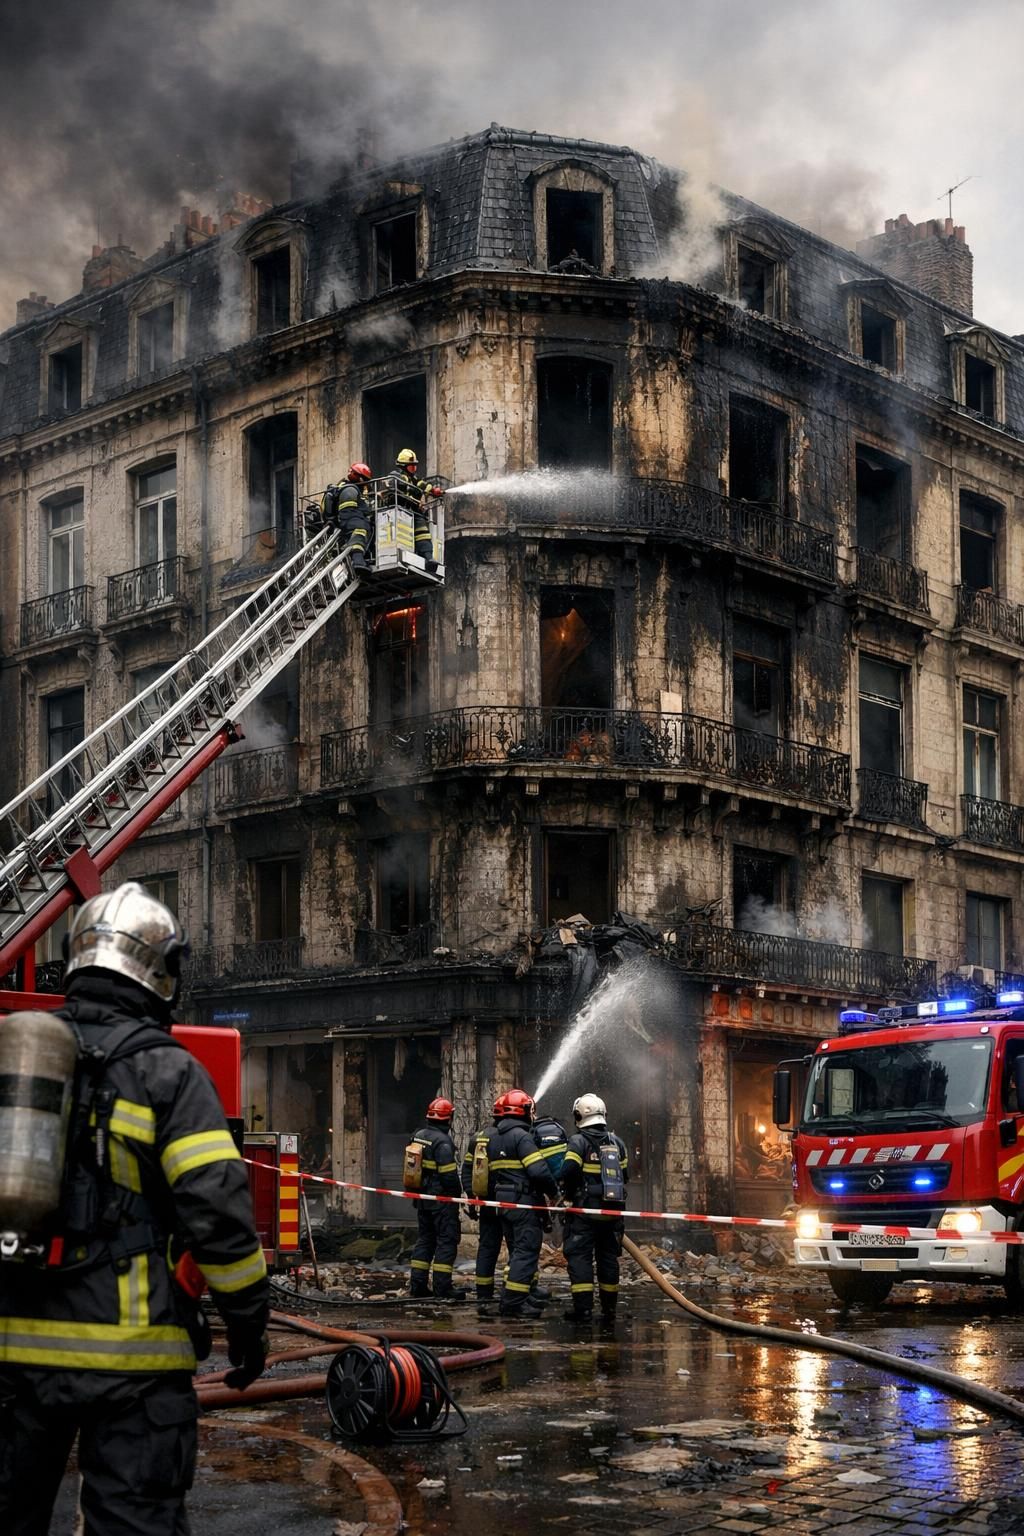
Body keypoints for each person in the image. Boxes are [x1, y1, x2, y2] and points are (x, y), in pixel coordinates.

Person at [0, 882, 270, 1535]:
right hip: (133, 1365)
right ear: (159, 973)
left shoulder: (17, 1055)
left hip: (15, 1356)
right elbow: (218, 1213)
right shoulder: (170, 1073)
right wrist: (248, 1325)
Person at [484, 1089, 558, 1317]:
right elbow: (537, 1170)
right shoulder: (521, 1137)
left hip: (503, 1203)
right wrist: (553, 1191)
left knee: (517, 1251)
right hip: (523, 1202)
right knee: (526, 1250)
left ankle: (522, 1295)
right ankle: (513, 1303)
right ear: (524, 1111)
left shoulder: (494, 1137)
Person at [560, 1092, 628, 1326]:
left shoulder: (578, 1141)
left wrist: (568, 1195)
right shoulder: (617, 1143)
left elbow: (568, 1171)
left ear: (578, 1115)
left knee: (580, 1259)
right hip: (612, 1213)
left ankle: (584, 1311)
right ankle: (609, 1310)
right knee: (608, 1259)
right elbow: (625, 1176)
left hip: (584, 1213)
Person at [407, 1097, 467, 1299]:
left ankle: (418, 1287)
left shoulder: (418, 1136)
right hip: (441, 1201)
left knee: (425, 1240)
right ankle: (443, 1289)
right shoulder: (443, 1142)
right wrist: (457, 1196)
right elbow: (448, 1176)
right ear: (449, 1118)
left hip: (423, 1199)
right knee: (446, 1242)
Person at [393, 448, 441, 569]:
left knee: (423, 533)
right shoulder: (397, 476)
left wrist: (434, 491)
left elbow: (425, 485)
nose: (414, 468)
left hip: (413, 512)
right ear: (404, 466)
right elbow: (399, 487)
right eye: (412, 466)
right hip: (400, 511)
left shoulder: (415, 479)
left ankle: (428, 557)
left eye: (415, 466)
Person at [323, 461, 374, 570]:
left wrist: (330, 519)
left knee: (357, 532)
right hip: (351, 517)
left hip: (342, 520)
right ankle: (358, 562)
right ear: (360, 479)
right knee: (360, 531)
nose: (365, 484)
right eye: (365, 481)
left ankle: (357, 558)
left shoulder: (341, 487)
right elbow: (361, 509)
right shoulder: (351, 489)